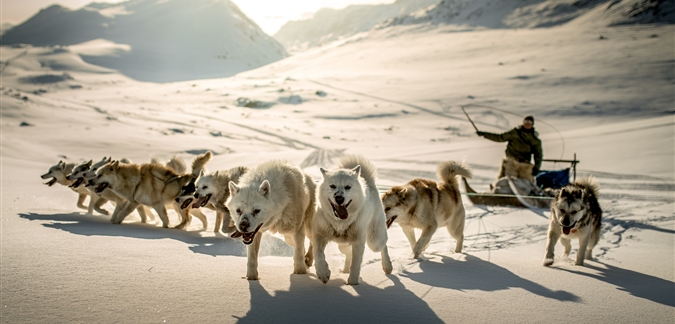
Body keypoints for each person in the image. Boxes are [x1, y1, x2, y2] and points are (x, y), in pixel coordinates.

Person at [477, 115, 543, 177]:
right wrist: (484, 134)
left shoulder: (535, 140)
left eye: (529, 122)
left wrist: (537, 167)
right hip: (511, 161)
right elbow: (500, 138)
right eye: (525, 121)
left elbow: (538, 155)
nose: (527, 123)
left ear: (532, 124)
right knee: (509, 180)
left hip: (525, 163)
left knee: (527, 183)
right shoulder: (514, 133)